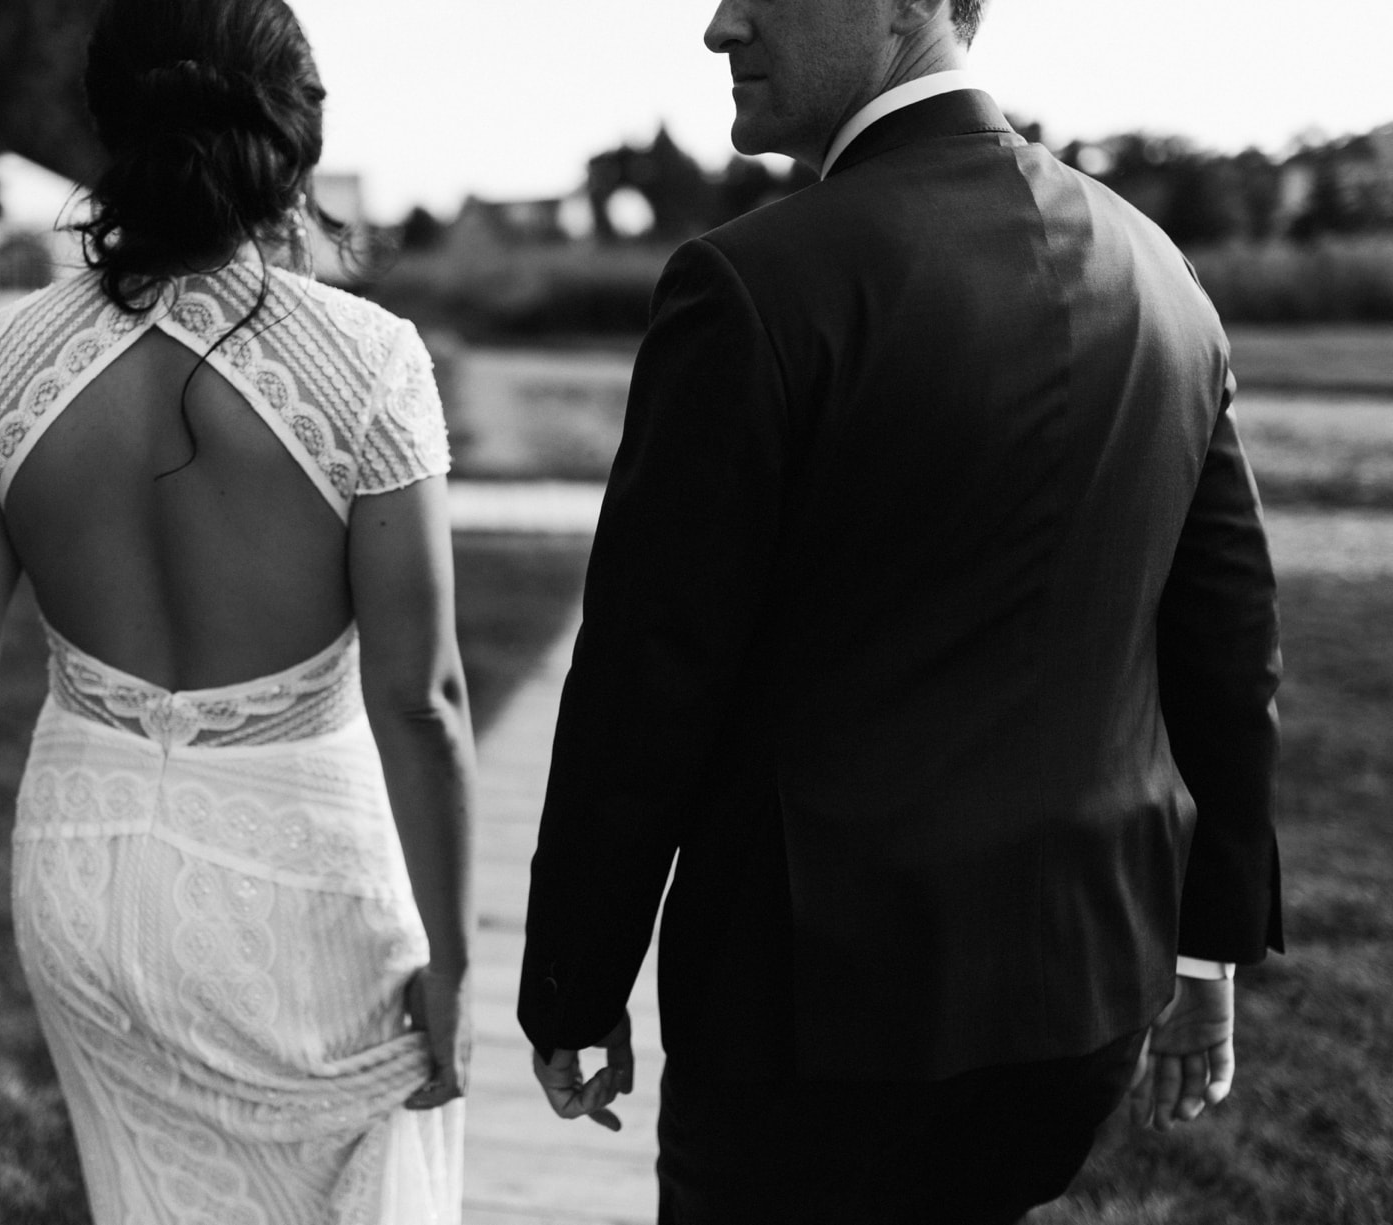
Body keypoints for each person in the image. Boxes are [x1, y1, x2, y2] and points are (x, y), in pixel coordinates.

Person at [517, 0, 1283, 1220]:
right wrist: (1207, 944)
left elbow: (646, 682)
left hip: (813, 1025)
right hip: (1080, 1005)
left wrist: (573, 975)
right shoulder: (1162, 275)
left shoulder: (753, 285)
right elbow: (1226, 645)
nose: (719, 27)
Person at [0, 1, 474, 1220]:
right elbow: (421, 696)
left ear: (107, 127)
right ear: (294, 129)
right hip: (310, 880)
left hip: (84, 874)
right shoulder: (370, 358)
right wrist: (452, 962)